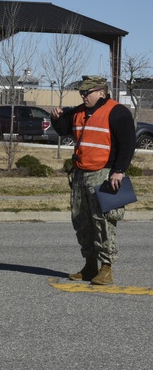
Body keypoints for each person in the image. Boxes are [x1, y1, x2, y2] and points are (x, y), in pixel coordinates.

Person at [50, 76, 135, 285]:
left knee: (104, 221)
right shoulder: (78, 112)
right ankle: (90, 266)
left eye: (87, 92)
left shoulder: (117, 112)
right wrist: (57, 118)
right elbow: (63, 130)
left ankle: (106, 268)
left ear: (101, 92)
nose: (83, 96)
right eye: (81, 92)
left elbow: (128, 144)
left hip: (105, 175)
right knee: (81, 220)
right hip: (80, 174)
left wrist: (119, 171)